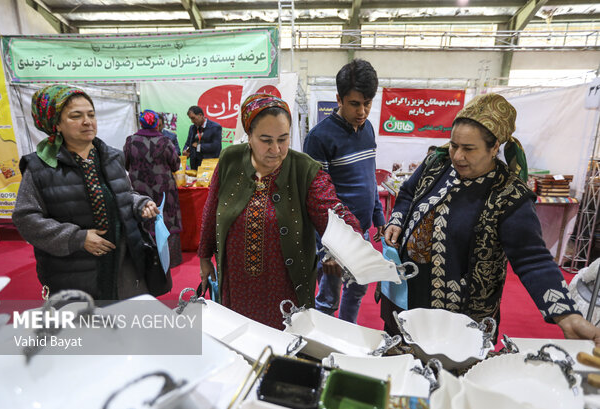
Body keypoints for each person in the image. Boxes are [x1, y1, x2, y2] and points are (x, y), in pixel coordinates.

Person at [382, 93, 600, 344]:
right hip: (406, 297)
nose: (457, 156)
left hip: (458, 320)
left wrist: (567, 315)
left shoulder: (509, 196)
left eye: (469, 149)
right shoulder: (437, 163)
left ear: (494, 147)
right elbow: (408, 192)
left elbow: (533, 259)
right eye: (454, 145)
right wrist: (397, 219)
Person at [198, 93, 361, 329]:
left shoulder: (304, 169)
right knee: (240, 340)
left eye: (283, 139)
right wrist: (205, 257)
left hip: (284, 288)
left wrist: (349, 242)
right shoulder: (230, 160)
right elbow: (212, 210)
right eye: (266, 140)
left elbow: (332, 210)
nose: (276, 149)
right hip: (237, 284)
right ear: (249, 136)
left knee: (283, 348)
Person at [12, 85, 160, 300]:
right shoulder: (40, 167)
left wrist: (140, 203)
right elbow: (26, 219)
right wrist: (77, 238)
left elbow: (125, 194)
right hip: (74, 270)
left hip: (124, 265)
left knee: (128, 325)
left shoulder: (112, 157)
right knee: (87, 329)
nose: (87, 121)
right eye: (75, 116)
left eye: (91, 114)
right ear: (57, 125)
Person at [303, 59, 386, 323]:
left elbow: (369, 178)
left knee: (358, 289)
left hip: (361, 231)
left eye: (368, 103)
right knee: (328, 300)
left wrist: (378, 216)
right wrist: (328, 249)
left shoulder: (368, 129)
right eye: (355, 104)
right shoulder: (319, 138)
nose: (362, 111)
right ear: (339, 98)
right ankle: (322, 353)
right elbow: (317, 197)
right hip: (334, 237)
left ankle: (348, 337)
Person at [124, 109, 183, 268]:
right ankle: (170, 259)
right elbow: (176, 165)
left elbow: (125, 164)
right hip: (163, 187)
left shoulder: (131, 141)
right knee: (167, 219)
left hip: (139, 187)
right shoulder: (165, 141)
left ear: (141, 123)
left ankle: (147, 257)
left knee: (143, 216)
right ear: (157, 123)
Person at [181, 105, 222, 170]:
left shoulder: (215, 127)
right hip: (194, 165)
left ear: (200, 115)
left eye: (193, 118)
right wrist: (185, 150)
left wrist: (198, 147)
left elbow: (216, 146)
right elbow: (188, 143)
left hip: (208, 165)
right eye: (190, 119)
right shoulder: (192, 128)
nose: (192, 121)